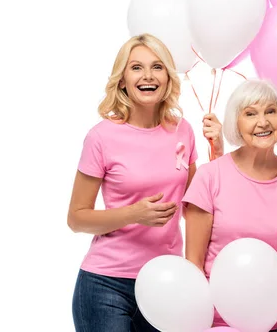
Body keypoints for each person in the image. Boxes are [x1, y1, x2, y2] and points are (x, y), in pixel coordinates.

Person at [67, 33, 223, 332]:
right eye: (136, 67)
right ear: (122, 80)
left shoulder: (182, 131)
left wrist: (216, 153)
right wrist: (133, 214)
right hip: (106, 285)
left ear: (167, 78)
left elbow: (197, 208)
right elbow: (76, 218)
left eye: (157, 67)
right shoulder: (101, 137)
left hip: (167, 282)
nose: (148, 76)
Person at [183, 79, 277, 332]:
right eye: (250, 114)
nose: (263, 122)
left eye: (271, 111)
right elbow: (193, 265)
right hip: (219, 323)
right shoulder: (209, 177)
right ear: (236, 122)